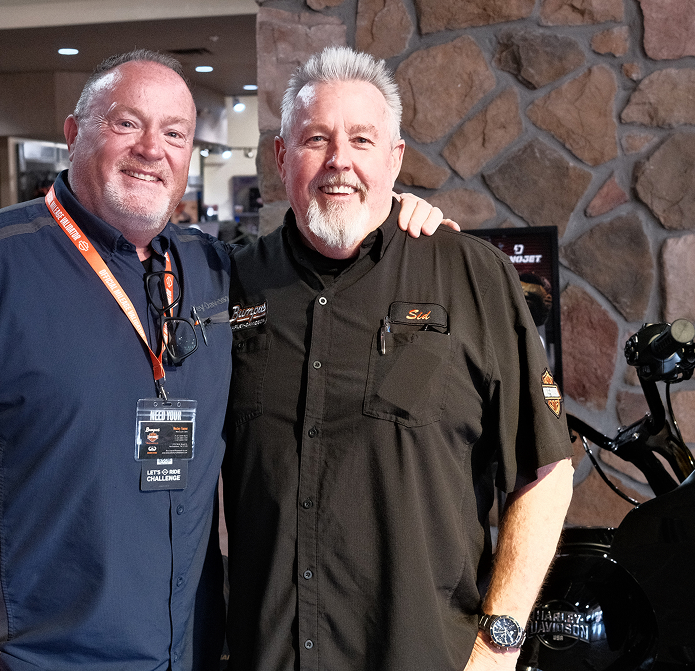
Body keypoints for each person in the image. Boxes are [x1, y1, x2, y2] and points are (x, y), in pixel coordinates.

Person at [0, 49, 446, 671]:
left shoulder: (214, 269)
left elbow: (319, 257)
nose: (150, 149)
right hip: (30, 657)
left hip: (189, 653)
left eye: (174, 132)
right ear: (75, 132)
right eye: (126, 123)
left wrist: (395, 219)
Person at [221, 46, 574, 671]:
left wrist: (499, 645)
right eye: (315, 139)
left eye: (362, 139)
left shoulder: (470, 275)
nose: (340, 161)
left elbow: (544, 472)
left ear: (396, 158)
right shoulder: (232, 284)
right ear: (280, 157)